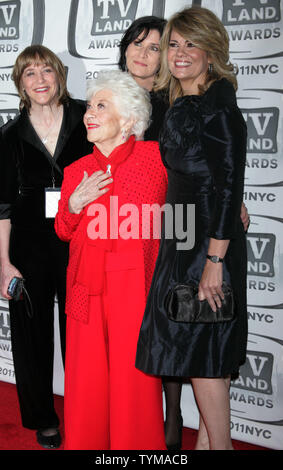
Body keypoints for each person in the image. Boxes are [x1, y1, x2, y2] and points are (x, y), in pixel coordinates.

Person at [136, 6, 248, 451]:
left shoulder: (217, 104)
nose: (180, 53)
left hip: (206, 242)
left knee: (204, 359)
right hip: (184, 236)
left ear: (211, 50)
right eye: (174, 44)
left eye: (191, 44)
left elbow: (226, 186)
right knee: (202, 351)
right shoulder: (181, 99)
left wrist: (215, 261)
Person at [54, 70, 168, 450]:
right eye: (89, 106)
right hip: (85, 288)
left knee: (133, 382)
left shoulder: (156, 159)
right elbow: (63, 231)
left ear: (129, 119)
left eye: (101, 106)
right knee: (86, 381)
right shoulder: (75, 171)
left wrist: (232, 203)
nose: (90, 113)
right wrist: (73, 203)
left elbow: (197, 183)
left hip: (135, 287)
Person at [0, 45, 92, 449]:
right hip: (29, 244)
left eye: (46, 71)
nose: (39, 80)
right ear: (20, 84)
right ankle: (43, 418)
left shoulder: (89, 116)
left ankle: (88, 410)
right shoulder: (8, 135)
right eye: (29, 74)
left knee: (83, 333)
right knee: (30, 334)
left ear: (59, 75)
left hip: (83, 239)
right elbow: (2, 206)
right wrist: (4, 264)